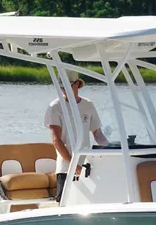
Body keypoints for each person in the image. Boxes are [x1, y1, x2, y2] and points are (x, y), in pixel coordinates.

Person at [44, 70, 109, 202]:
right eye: (61, 86)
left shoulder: (88, 105)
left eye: (68, 85)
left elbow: (98, 134)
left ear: (77, 84)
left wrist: (111, 148)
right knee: (64, 204)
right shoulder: (55, 107)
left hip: (87, 166)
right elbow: (56, 140)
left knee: (90, 204)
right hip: (65, 167)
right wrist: (74, 166)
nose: (64, 89)